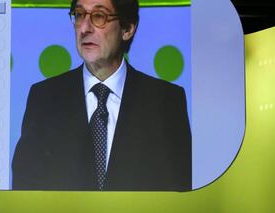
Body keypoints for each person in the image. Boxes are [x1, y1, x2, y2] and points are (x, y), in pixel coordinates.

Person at [12, 0, 191, 191]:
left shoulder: (166, 101)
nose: (85, 28)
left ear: (127, 29)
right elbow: (26, 186)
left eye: (99, 16)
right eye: (79, 15)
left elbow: (178, 188)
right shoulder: (44, 98)